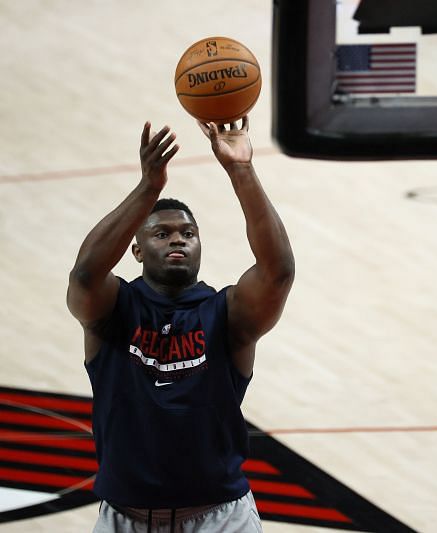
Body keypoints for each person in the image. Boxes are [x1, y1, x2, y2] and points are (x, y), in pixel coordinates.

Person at [66, 117, 294, 532]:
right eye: (161, 233)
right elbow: (84, 275)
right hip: (124, 518)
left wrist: (240, 169)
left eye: (188, 232)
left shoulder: (227, 313)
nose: (177, 239)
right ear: (134, 249)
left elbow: (277, 272)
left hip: (219, 517)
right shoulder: (115, 308)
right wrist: (147, 188)